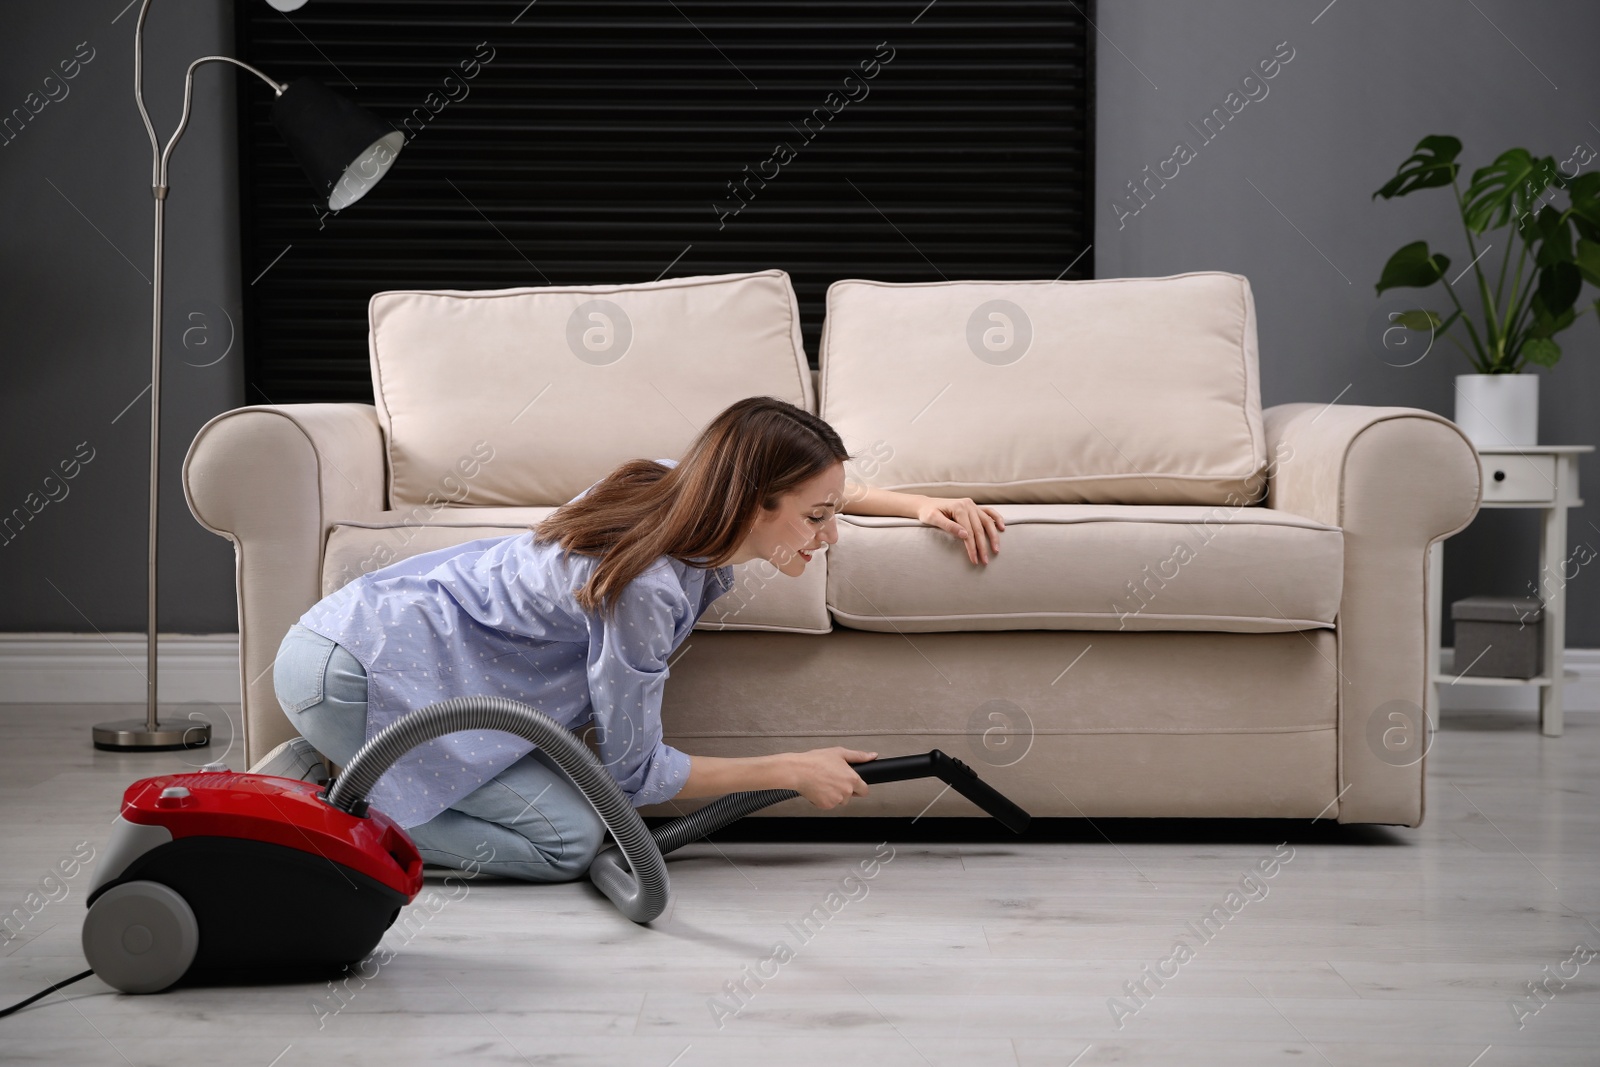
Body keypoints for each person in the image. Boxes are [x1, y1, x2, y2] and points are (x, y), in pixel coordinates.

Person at [260, 395, 1006, 882]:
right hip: (361, 670)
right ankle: (320, 803)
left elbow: (801, 484)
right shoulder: (644, 586)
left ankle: (320, 768)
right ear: (749, 502)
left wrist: (921, 506)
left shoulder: (673, 487)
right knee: (569, 845)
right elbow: (634, 775)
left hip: (360, 641)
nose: (831, 534)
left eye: (832, 511)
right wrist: (793, 768)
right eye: (817, 518)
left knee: (567, 829)